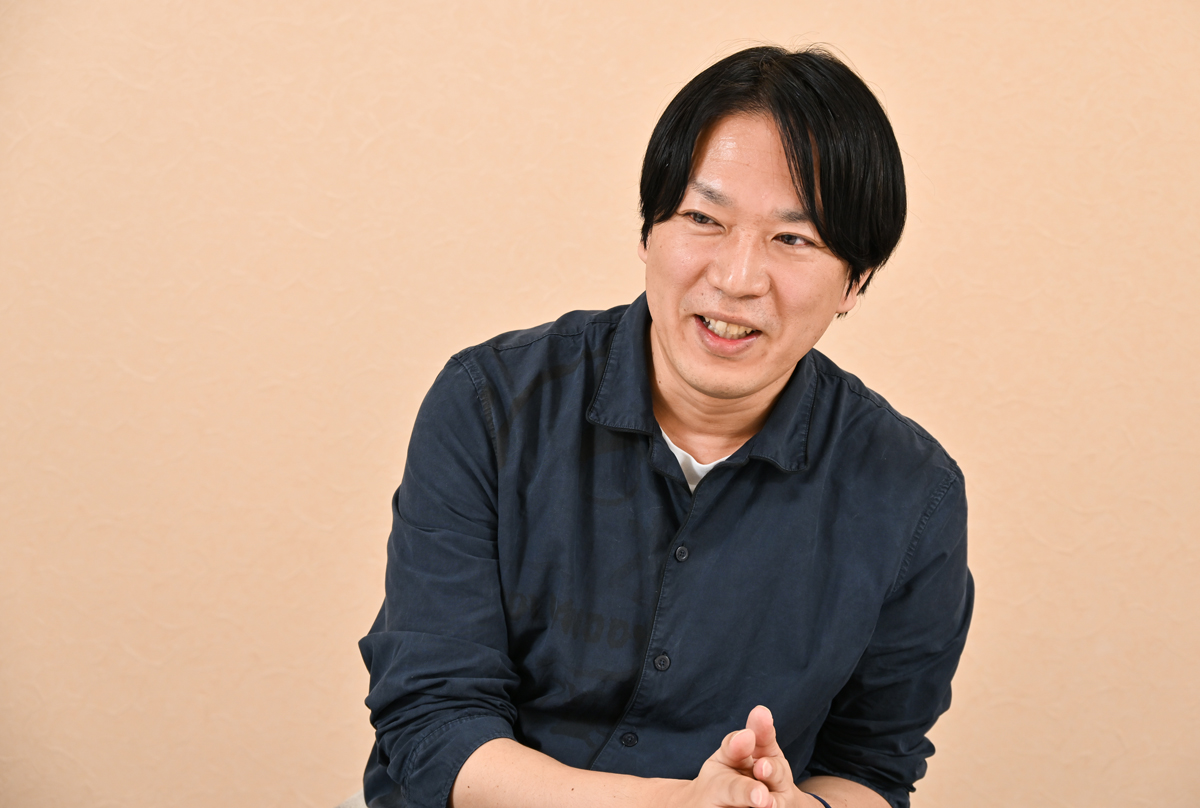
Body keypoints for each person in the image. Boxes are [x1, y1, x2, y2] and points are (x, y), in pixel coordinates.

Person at [359, 45, 972, 808]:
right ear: (648, 231)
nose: (736, 279)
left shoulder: (913, 495)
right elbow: (434, 723)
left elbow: (871, 768)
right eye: (703, 219)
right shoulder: (490, 405)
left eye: (793, 239)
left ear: (857, 280)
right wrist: (673, 805)